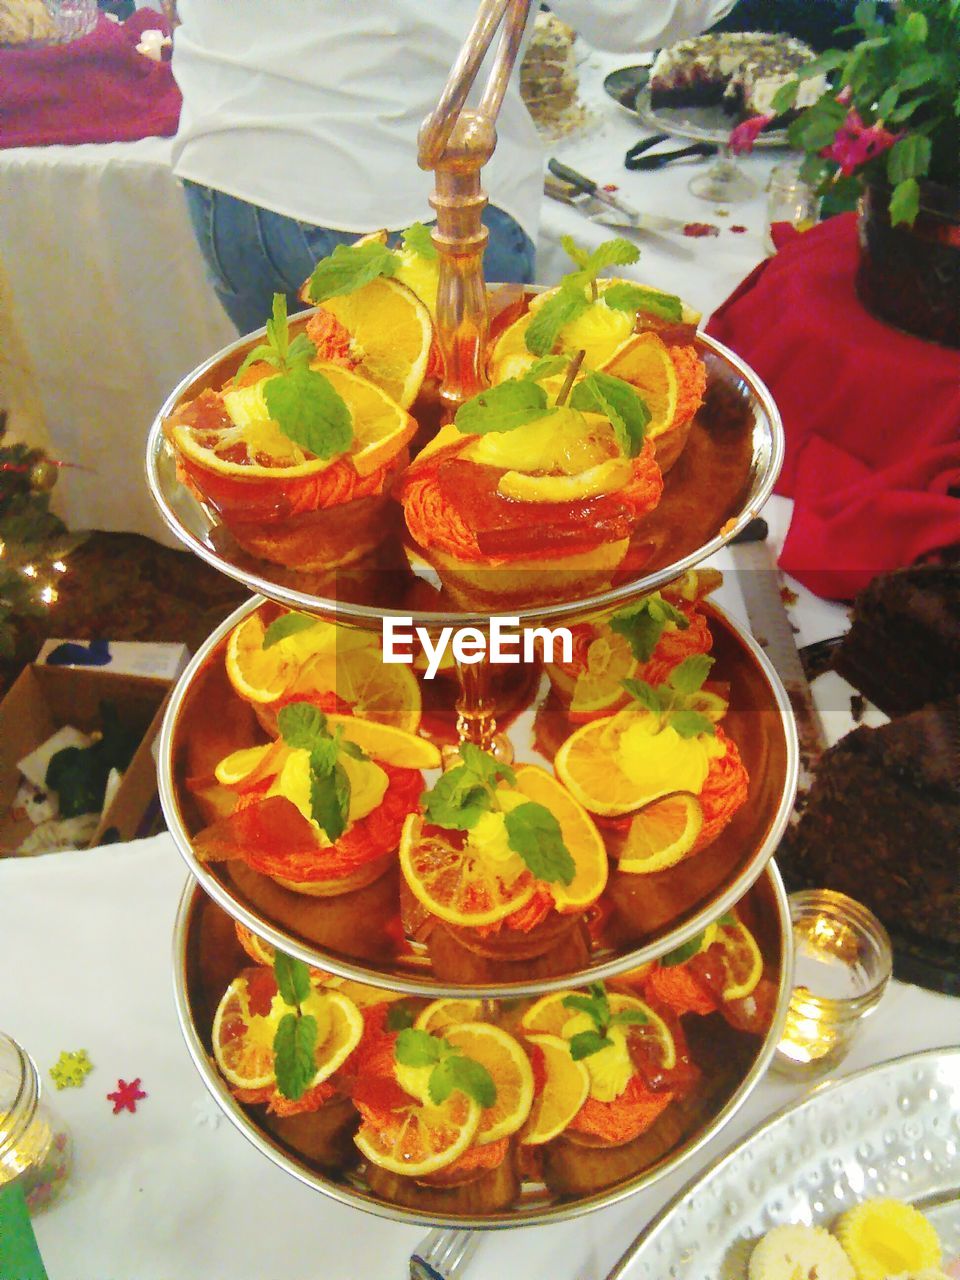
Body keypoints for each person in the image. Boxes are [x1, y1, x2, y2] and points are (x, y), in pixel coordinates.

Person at [171, 0, 735, 335]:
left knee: (308, 485)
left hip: (227, 177)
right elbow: (637, 13)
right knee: (459, 489)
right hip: (396, 193)